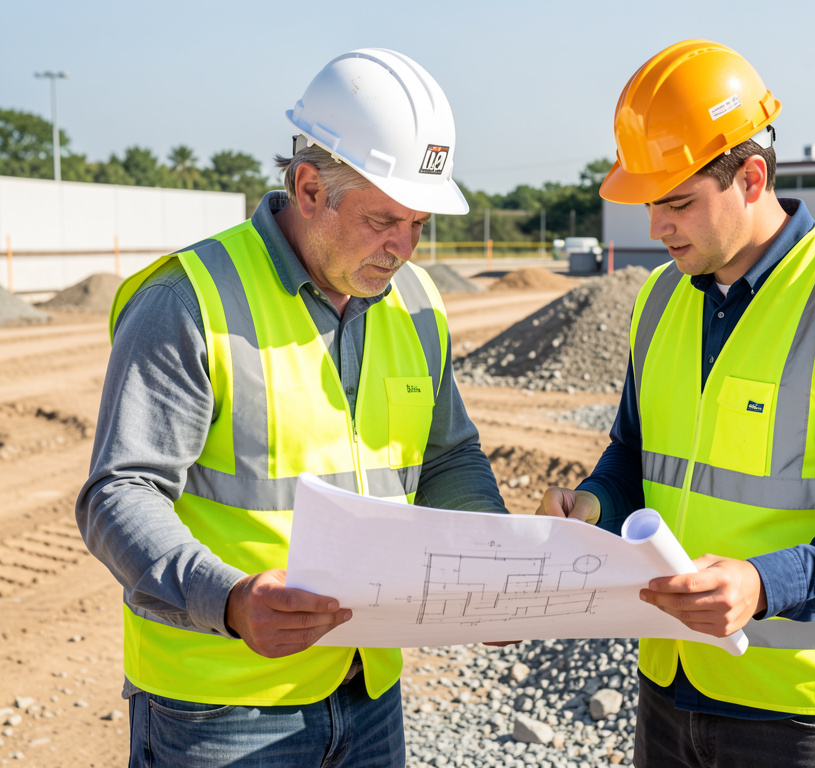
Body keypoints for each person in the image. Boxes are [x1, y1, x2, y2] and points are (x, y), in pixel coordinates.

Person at [77, 48, 507, 768]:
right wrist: (230, 599)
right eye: (383, 219)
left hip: (366, 693)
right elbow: (119, 494)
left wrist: (493, 564)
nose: (404, 248)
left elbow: (447, 455)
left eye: (419, 224)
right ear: (309, 188)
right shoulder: (189, 301)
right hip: (219, 708)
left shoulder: (416, 302)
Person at [537, 39, 815, 767]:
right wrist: (593, 506)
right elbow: (634, 453)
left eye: (679, 203)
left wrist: (763, 584)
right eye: (649, 203)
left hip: (805, 710)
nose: (657, 228)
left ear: (752, 178)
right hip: (672, 684)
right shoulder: (659, 301)